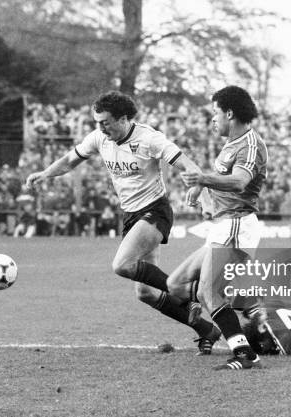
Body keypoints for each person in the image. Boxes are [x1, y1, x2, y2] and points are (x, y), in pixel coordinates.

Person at [26, 91, 220, 347]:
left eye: (105, 122)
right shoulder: (99, 138)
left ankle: (188, 292)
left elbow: (190, 166)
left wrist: (204, 199)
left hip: (155, 210)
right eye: (97, 122)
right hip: (130, 215)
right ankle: (207, 330)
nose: (101, 128)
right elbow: (69, 161)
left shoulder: (149, 139)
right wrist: (45, 173)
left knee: (122, 264)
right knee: (145, 293)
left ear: (124, 118)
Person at [167, 85, 269, 370]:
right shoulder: (231, 144)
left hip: (237, 224)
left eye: (215, 112)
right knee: (175, 285)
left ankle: (246, 354)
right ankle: (250, 303)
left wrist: (201, 178)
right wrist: (201, 187)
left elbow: (239, 181)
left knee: (209, 294)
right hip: (222, 225)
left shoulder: (250, 144)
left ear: (229, 113)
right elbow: (221, 179)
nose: (212, 119)